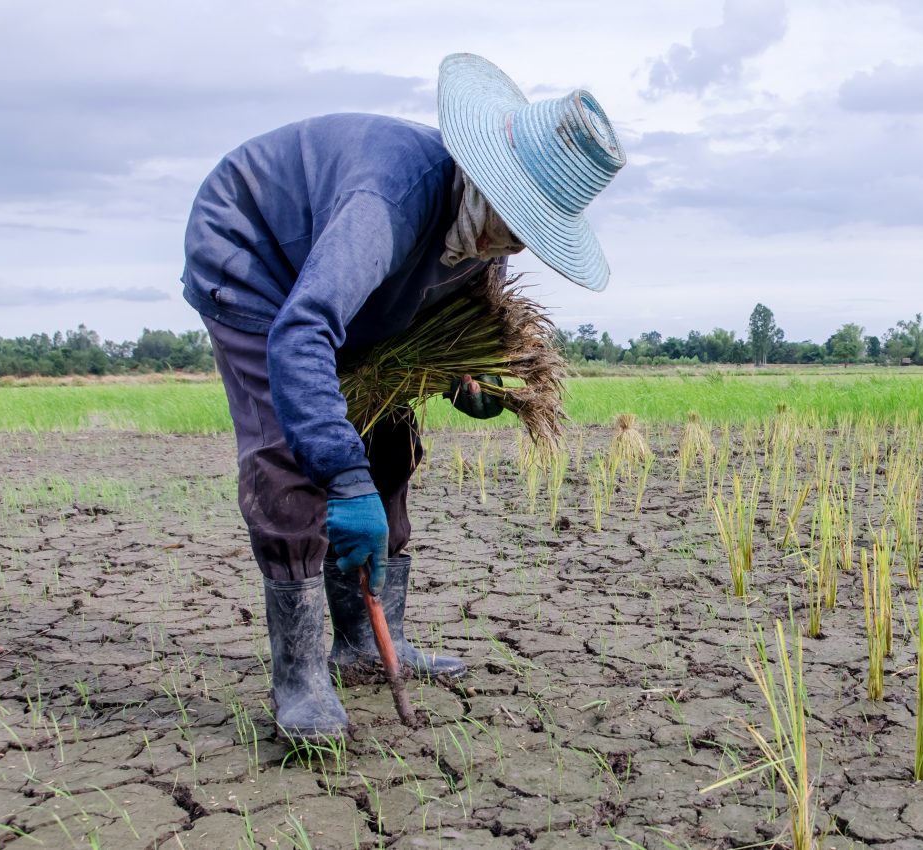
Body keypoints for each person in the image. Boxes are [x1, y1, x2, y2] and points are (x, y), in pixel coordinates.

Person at [180, 54, 625, 742]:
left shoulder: (487, 239)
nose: (506, 241)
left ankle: (365, 644)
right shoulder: (387, 201)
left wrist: (463, 383)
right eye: (508, 215)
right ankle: (299, 679)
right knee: (290, 455)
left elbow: (419, 320)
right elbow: (301, 332)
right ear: (480, 174)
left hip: (338, 291)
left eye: (526, 230)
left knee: (389, 443)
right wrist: (341, 476)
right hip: (255, 256)